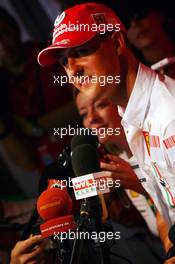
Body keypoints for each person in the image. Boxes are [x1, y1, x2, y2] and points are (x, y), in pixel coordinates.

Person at [37, 2, 175, 262]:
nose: (73, 70)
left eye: (82, 52)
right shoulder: (133, 115)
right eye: (65, 61)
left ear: (117, 43)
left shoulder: (168, 115)